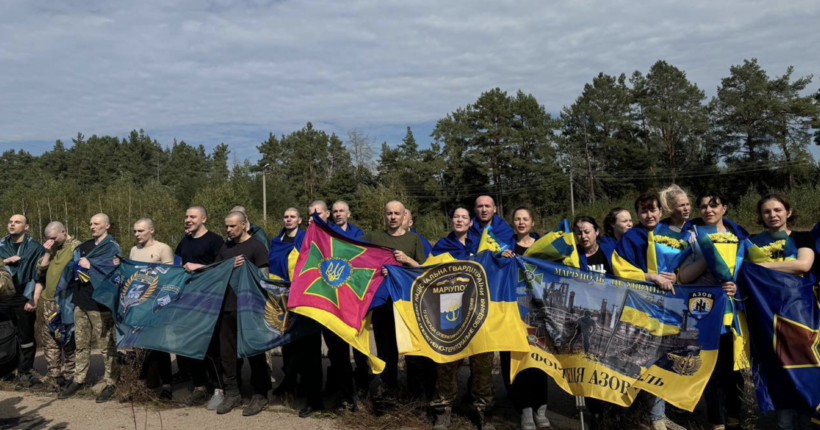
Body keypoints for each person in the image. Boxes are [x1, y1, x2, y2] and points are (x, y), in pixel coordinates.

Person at [612, 196, 687, 430]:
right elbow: (620, 268)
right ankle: (655, 417)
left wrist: (679, 275)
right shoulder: (632, 237)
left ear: (660, 210)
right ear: (637, 214)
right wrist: (651, 277)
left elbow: (690, 257)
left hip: (673, 304)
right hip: (642, 305)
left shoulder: (673, 231)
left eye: (653, 210)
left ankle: (670, 410)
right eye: (643, 211)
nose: (649, 215)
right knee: (648, 359)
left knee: (672, 357)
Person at [678, 192, 748, 430]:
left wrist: (736, 285)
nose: (708, 210)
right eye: (704, 206)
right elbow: (684, 276)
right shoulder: (692, 238)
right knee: (710, 371)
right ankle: (716, 421)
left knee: (734, 371)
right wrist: (710, 256)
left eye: (714, 205)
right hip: (704, 315)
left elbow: (749, 275)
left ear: (724, 209)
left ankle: (735, 418)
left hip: (733, 315)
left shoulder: (739, 238)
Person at [747, 195, 815, 430]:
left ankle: (807, 418)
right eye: (767, 211)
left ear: (788, 211)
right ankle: (784, 422)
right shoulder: (752, 242)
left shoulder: (802, 238)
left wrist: (759, 267)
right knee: (776, 367)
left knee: (803, 365)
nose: (772, 215)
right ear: (761, 216)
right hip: (766, 315)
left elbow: (803, 265)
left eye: (777, 210)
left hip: (800, 315)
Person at [362, 200, 433, 400]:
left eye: (397, 213)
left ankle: (414, 394)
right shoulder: (373, 237)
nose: (393, 217)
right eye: (389, 213)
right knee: (386, 350)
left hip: (408, 305)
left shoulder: (414, 240)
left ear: (404, 217)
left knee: (411, 350)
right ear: (384, 216)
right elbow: (353, 253)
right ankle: (388, 391)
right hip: (383, 304)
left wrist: (406, 261)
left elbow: (424, 270)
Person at [214, 211, 272, 416]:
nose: (228, 230)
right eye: (226, 226)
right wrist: (227, 265)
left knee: (254, 352)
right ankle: (232, 393)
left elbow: (263, 280)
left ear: (244, 224)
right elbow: (216, 271)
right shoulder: (226, 247)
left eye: (232, 226)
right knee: (227, 354)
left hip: (248, 309)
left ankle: (260, 395)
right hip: (226, 307)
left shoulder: (256, 247)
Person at [498, 206, 550, 430]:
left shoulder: (544, 247)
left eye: (525, 219)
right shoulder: (504, 246)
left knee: (540, 359)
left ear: (532, 222)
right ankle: (525, 409)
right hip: (513, 310)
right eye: (517, 219)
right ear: (513, 223)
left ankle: (541, 407)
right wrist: (499, 257)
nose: (521, 222)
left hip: (539, 311)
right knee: (517, 359)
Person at [60, 214, 121, 402]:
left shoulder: (112, 247)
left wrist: (92, 264)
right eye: (91, 223)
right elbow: (72, 267)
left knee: (105, 345)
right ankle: (79, 379)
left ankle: (111, 381)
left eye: (96, 223)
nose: (92, 226)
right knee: (81, 344)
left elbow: (115, 269)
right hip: (81, 302)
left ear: (107, 226)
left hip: (99, 305)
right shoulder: (83, 247)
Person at [116, 218, 175, 400]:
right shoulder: (134, 250)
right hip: (138, 304)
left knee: (159, 345)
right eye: (135, 231)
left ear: (152, 230)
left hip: (156, 304)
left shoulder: (162, 248)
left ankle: (166, 385)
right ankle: (142, 384)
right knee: (138, 345)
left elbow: (171, 276)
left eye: (140, 231)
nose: (137, 234)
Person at [174, 206, 226, 409]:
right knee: (190, 343)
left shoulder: (215, 240)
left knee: (211, 346)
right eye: (186, 216)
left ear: (203, 218)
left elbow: (223, 267)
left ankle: (220, 390)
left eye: (192, 216)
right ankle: (200, 386)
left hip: (209, 300)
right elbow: (177, 265)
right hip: (188, 299)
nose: (188, 219)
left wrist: (199, 267)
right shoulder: (184, 240)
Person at [0, 215, 45, 389]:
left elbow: (41, 275)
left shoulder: (34, 248)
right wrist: (4, 261)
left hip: (24, 295)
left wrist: (34, 298)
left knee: (25, 335)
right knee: (4, 334)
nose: (12, 224)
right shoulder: (1, 245)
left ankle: (25, 372)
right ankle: (6, 370)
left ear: (27, 227)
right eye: (10, 221)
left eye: (17, 222)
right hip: (3, 296)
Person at [33, 222, 79, 391]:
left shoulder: (76, 247)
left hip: (66, 300)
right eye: (48, 239)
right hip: (48, 300)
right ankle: (54, 375)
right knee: (50, 339)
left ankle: (71, 375)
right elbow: (40, 269)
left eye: (53, 238)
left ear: (63, 231)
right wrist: (47, 251)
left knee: (67, 338)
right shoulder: (52, 249)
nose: (50, 242)